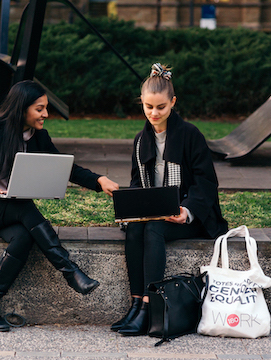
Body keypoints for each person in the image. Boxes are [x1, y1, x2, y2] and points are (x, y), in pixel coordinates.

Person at [0, 80, 119, 332]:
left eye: (46, 108)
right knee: (23, 207)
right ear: (22, 108)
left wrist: (98, 180)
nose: (46, 114)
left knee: (24, 237)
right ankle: (69, 270)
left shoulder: (39, 137)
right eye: (40, 109)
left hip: (14, 212)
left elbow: (65, 168)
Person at [111, 63, 228, 336]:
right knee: (136, 227)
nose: (154, 113)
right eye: (148, 106)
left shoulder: (190, 135)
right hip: (155, 211)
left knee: (153, 229)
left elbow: (207, 183)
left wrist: (186, 211)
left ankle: (152, 308)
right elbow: (138, 183)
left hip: (190, 215)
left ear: (173, 103)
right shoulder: (142, 141)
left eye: (161, 107)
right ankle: (136, 304)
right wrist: (131, 210)